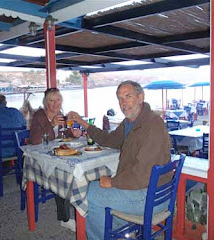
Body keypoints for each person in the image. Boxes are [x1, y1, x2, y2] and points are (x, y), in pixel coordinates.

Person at [68, 80, 171, 239]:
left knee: (92, 192)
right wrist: (83, 123)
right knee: (104, 190)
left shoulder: (152, 125)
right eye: (120, 98)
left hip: (150, 196)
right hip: (148, 189)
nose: (123, 103)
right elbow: (110, 140)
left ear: (140, 97)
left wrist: (112, 182)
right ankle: (124, 234)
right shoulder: (132, 121)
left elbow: (142, 174)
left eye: (128, 96)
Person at [29, 87, 81, 232]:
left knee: (75, 172)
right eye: (51, 100)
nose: (55, 103)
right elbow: (34, 140)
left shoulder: (61, 115)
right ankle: (64, 219)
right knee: (61, 175)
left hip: (57, 155)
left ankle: (81, 205)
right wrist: (51, 124)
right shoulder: (39, 115)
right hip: (39, 160)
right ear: (46, 102)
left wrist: (75, 132)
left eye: (57, 99)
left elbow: (66, 134)